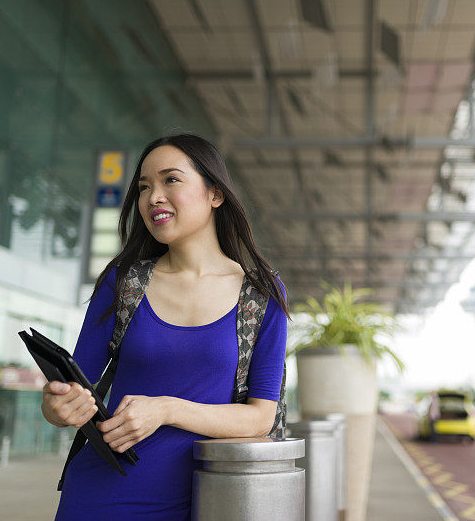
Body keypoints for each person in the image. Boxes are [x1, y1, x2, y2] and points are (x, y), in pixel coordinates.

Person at [40, 133, 290, 520]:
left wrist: (166, 410)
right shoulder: (122, 282)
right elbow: (75, 392)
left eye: (170, 180)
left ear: (215, 194)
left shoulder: (261, 294)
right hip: (102, 497)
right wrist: (56, 405)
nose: (153, 197)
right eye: (144, 187)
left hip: (208, 499)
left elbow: (260, 416)